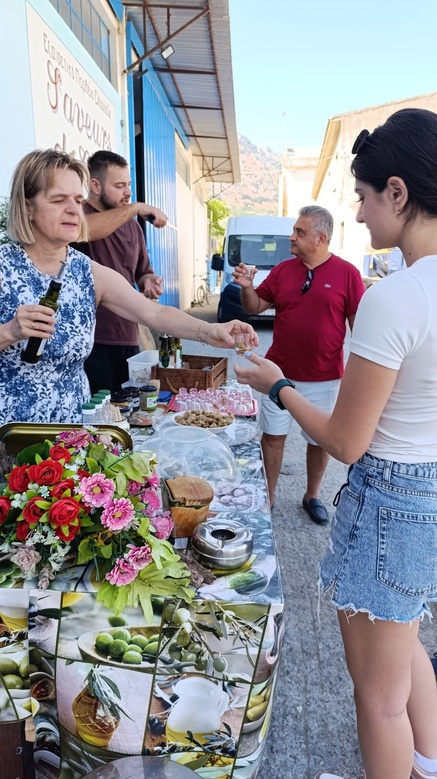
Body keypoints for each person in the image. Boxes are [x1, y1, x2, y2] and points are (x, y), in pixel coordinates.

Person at [234, 108, 437, 779]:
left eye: (363, 195)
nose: (357, 212)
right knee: (407, 647)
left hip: (391, 498)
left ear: (398, 193)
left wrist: (279, 386)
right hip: (429, 488)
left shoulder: (394, 296)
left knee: (377, 701)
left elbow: (347, 440)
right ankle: (426, 763)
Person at [0, 149, 258, 425]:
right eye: (58, 200)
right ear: (27, 206)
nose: (74, 210)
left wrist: (209, 331)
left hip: (71, 434)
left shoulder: (87, 271)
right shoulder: (5, 267)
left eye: (78, 200)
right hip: (10, 430)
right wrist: (8, 332)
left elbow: (154, 314)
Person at [233, 205, 364, 523]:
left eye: (300, 232)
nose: (291, 237)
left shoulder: (348, 274)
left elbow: (359, 328)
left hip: (324, 378)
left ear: (321, 238)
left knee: (319, 440)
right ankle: (270, 496)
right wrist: (247, 287)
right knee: (273, 436)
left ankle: (313, 495)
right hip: (277, 372)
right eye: (294, 230)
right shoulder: (283, 270)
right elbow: (256, 306)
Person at [74, 150, 167, 394]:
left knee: (131, 412)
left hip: (128, 336)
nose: (128, 192)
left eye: (128, 185)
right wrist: (136, 208)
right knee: (96, 421)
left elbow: (142, 273)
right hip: (91, 341)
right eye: (119, 185)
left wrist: (149, 282)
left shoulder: (132, 226)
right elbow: (86, 230)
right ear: (95, 185)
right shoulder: (78, 216)